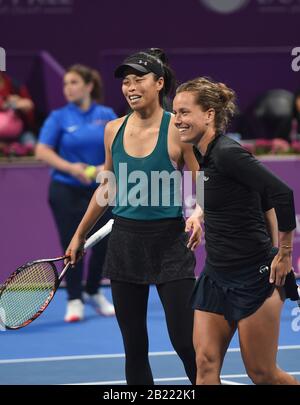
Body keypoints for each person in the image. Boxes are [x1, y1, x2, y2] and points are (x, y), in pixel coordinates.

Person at [65, 49, 202, 385]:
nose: (130, 86)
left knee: (186, 342)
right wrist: (79, 234)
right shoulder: (112, 129)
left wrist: (199, 211)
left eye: (138, 78)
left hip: (170, 243)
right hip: (125, 244)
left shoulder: (178, 128)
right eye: (126, 81)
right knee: (135, 347)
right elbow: (107, 189)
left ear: (159, 83)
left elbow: (202, 178)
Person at [173, 76, 300, 385]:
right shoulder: (203, 154)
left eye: (185, 112)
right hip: (216, 275)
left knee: (262, 373)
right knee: (204, 364)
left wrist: (284, 254)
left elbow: (281, 194)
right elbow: (221, 193)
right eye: (175, 113)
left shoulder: (228, 153)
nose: (177, 120)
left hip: (254, 277)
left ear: (209, 114)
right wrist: (200, 216)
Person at [36, 64, 116, 322]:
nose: (67, 88)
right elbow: (42, 151)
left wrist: (99, 170)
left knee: (104, 244)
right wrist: (72, 168)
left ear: (88, 86)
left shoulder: (107, 114)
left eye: (73, 83)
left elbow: (119, 149)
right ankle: (74, 298)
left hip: (102, 188)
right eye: (65, 84)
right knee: (72, 244)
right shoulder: (58, 117)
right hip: (66, 190)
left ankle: (93, 291)